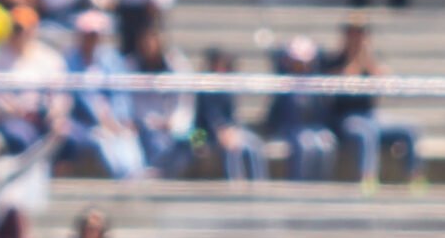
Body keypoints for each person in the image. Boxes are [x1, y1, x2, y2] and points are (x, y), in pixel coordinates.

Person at [324, 17, 422, 190]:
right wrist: (354, 60)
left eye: (361, 34)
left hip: (371, 115)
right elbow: (344, 83)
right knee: (365, 133)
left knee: (409, 130)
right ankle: (368, 178)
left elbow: (385, 82)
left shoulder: (371, 60)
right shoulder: (335, 60)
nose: (357, 39)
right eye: (353, 34)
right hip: (346, 117)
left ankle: (415, 178)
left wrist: (367, 60)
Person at [60, 10, 144, 180]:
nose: (92, 39)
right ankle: (121, 175)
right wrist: (101, 119)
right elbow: (76, 100)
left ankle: (136, 172)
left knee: (127, 135)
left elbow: (120, 93)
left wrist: (120, 118)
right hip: (84, 124)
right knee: (102, 138)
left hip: (113, 120)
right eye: (88, 35)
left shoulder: (111, 60)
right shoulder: (69, 62)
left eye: (95, 35)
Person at [0, 6, 68, 152]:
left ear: (33, 30)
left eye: (21, 29)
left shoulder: (49, 58)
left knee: (68, 138)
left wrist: (55, 113)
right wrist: (19, 111)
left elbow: (60, 92)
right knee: (20, 136)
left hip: (45, 117)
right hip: (11, 119)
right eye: (14, 29)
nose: (17, 34)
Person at [265, 36, 337, 182]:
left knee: (326, 143)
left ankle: (320, 185)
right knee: (305, 145)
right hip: (291, 129)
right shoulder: (284, 83)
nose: (302, 67)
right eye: (297, 63)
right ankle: (298, 185)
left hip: (315, 128)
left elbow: (322, 114)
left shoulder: (317, 84)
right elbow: (278, 114)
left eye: (305, 63)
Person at [127, 26, 195, 177]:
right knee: (153, 140)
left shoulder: (177, 65)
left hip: (177, 126)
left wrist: (173, 122)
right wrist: (151, 121)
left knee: (198, 139)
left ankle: (164, 173)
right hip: (146, 126)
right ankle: (154, 173)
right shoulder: (132, 66)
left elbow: (185, 103)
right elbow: (133, 103)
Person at [195, 49, 268, 182]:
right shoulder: (204, 88)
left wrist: (234, 130)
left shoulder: (228, 87)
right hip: (204, 132)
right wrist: (220, 132)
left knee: (255, 144)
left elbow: (233, 116)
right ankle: (235, 185)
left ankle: (260, 184)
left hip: (230, 130)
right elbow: (206, 118)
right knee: (233, 150)